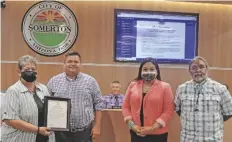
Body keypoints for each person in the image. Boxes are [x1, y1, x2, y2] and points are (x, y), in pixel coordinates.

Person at [47, 51, 103, 142]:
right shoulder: (54, 81)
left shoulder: (90, 81)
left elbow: (99, 103)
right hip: (60, 133)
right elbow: (47, 104)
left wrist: (97, 126)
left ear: (80, 64)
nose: (73, 64)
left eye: (76, 62)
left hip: (83, 132)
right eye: (69, 61)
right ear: (64, 64)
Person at [174, 56, 232, 142]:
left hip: (212, 139)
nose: (198, 70)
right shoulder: (182, 89)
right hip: (188, 139)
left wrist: (211, 122)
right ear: (189, 71)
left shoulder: (220, 88)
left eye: (201, 67)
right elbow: (178, 109)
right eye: (194, 68)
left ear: (206, 69)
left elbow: (228, 112)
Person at [1, 55, 54, 142]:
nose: (30, 71)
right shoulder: (13, 91)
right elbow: (10, 120)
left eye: (33, 69)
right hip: (19, 138)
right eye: (27, 69)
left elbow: (50, 110)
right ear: (19, 72)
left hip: (42, 137)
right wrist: (37, 130)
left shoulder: (43, 89)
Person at [122, 58, 174, 142]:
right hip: (136, 132)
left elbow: (169, 110)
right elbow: (125, 106)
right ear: (140, 71)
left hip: (158, 134)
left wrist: (152, 128)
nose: (148, 71)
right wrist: (132, 125)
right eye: (145, 69)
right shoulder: (132, 85)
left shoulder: (165, 87)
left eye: (152, 69)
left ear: (157, 71)